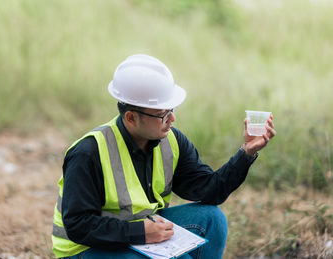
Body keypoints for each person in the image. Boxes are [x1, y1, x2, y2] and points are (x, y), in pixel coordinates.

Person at [51, 54, 276, 258]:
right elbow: (78, 225)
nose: (172, 119)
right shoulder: (89, 153)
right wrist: (139, 232)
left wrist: (246, 153)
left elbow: (210, 190)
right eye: (164, 114)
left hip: (139, 233)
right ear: (131, 117)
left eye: (172, 110)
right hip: (84, 250)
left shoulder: (171, 140)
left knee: (213, 219)